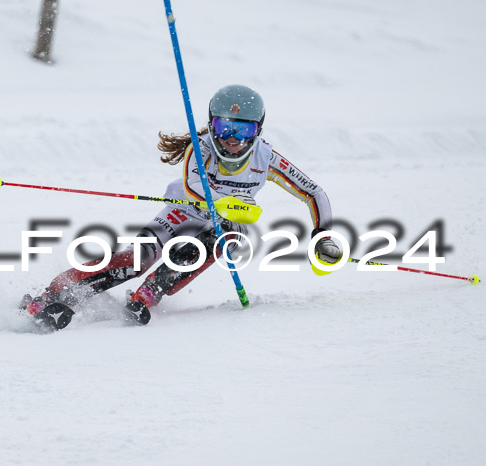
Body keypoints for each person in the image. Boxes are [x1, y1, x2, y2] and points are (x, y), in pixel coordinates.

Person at [23, 84, 341, 330]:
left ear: (257, 130)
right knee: (135, 260)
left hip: (226, 224)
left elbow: (313, 192)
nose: (233, 140)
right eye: (224, 128)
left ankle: (148, 294)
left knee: (226, 235)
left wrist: (322, 235)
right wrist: (225, 203)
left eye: (243, 131)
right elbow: (191, 185)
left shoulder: (265, 158)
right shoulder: (200, 148)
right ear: (211, 125)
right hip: (182, 212)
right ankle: (51, 296)